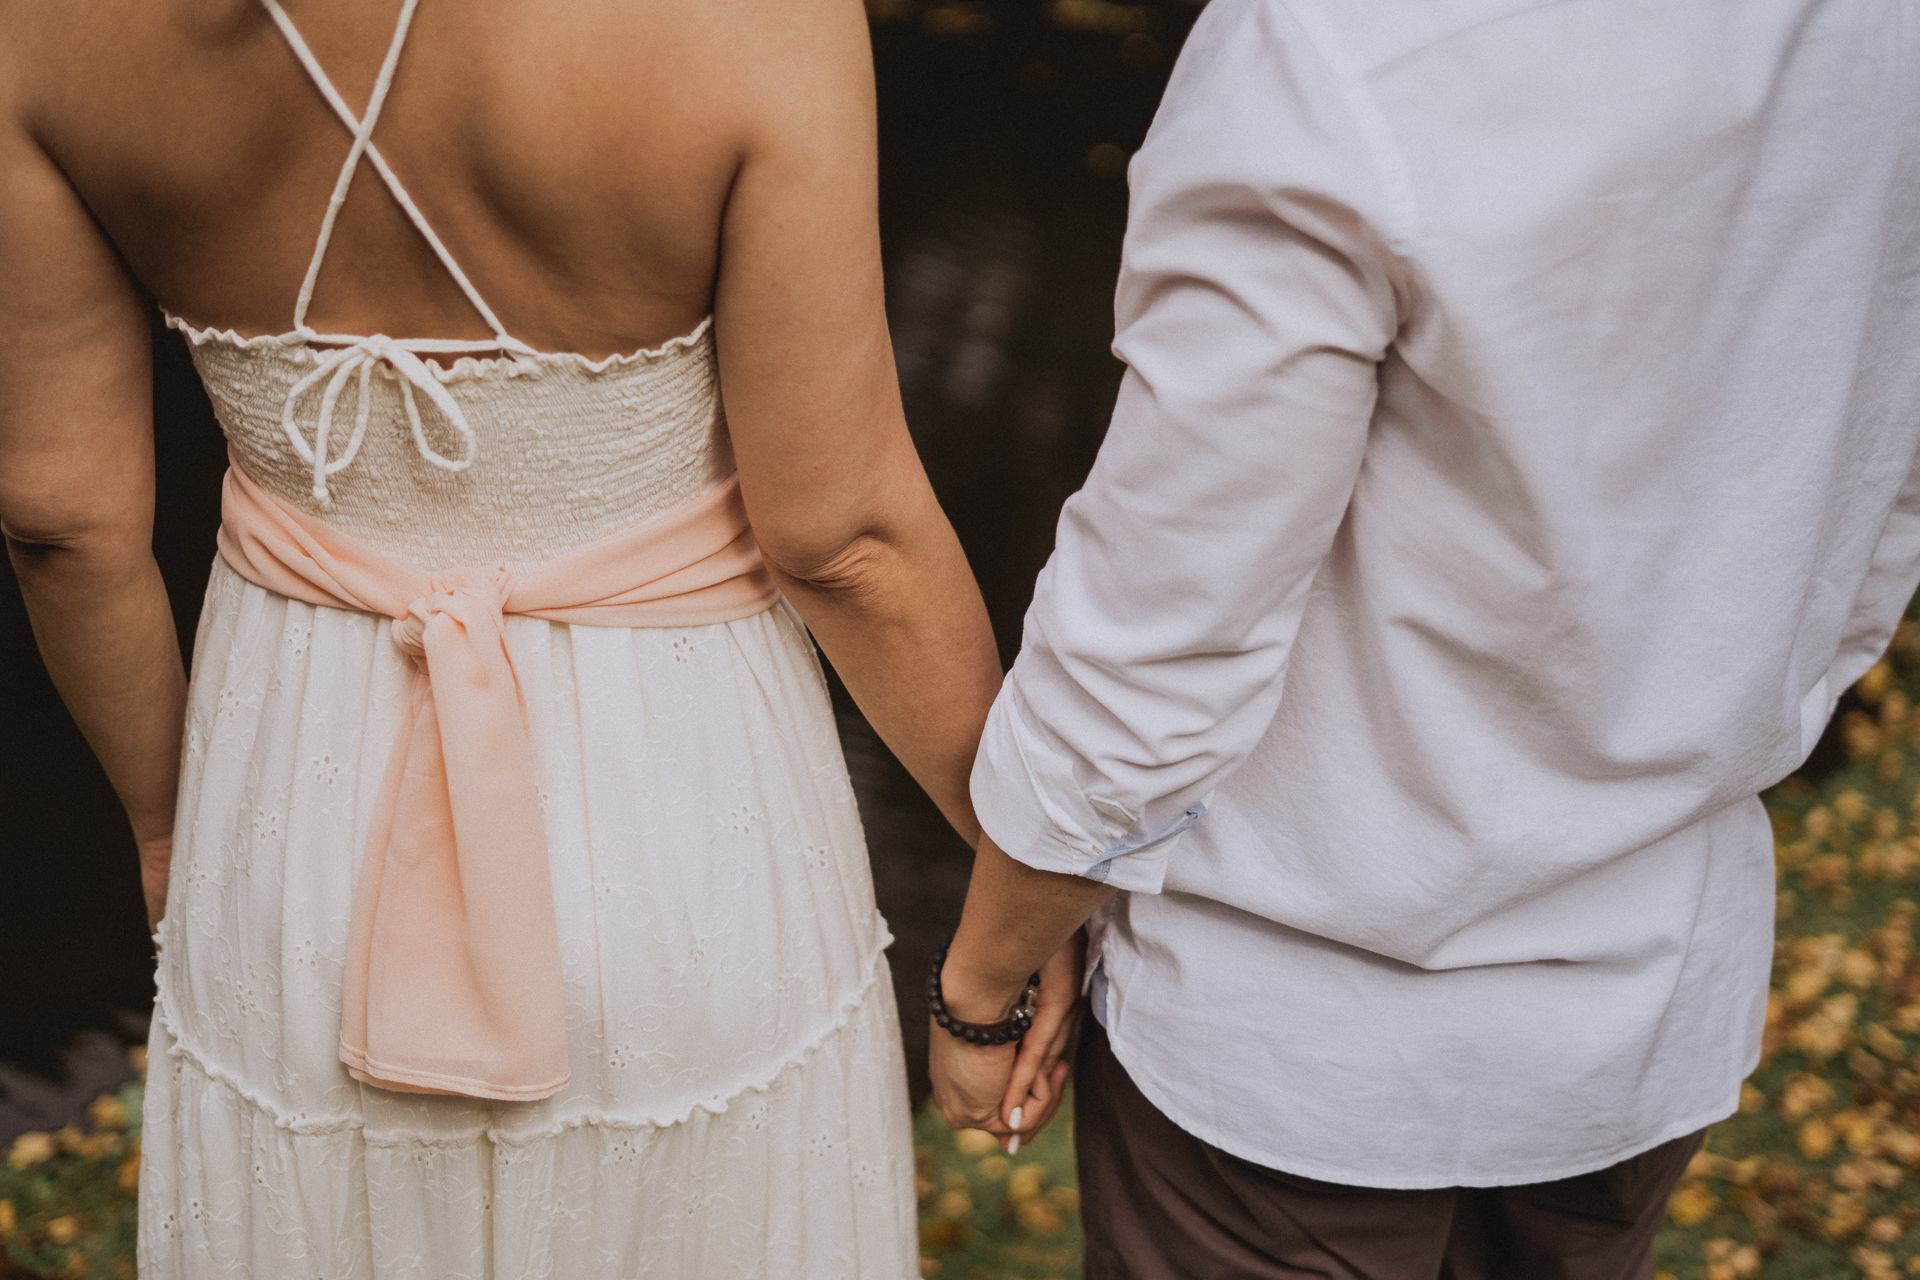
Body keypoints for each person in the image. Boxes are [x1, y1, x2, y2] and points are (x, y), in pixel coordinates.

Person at [0, 0, 1007, 1272]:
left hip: (292, 821)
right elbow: (846, 539)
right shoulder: (752, 24)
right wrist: (1020, 878)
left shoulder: (49, 31)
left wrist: (168, 826)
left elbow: (62, 525)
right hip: (677, 810)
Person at [928, 0, 1920, 1275]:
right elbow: (1872, 498)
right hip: (1644, 986)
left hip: (1292, 1050)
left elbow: (1164, 630)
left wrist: (985, 981)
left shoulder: (1328, 44)